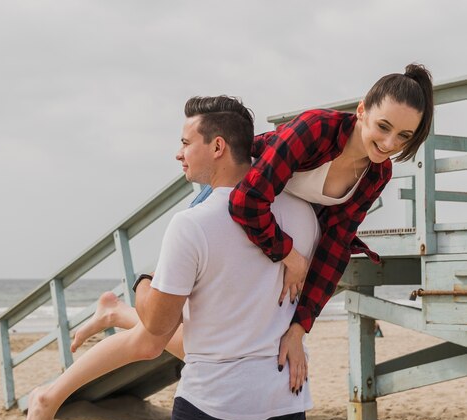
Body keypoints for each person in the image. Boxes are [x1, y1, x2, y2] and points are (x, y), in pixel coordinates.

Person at [71, 63, 434, 392]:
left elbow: (336, 245)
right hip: (237, 200)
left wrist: (299, 328)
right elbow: (248, 200)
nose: (389, 144)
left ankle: (114, 313)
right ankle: (141, 288)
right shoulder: (317, 128)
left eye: (404, 137)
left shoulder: (378, 173)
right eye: (383, 127)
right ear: (361, 112)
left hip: (272, 221)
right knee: (155, 336)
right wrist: (289, 254)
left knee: (199, 342)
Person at [25, 96, 321, 420]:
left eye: (185, 142)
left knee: (152, 335)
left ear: (217, 147)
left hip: (216, 405)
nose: (178, 153)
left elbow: (160, 325)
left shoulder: (193, 223)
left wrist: (145, 280)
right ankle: (108, 321)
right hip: (283, 400)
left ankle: (107, 322)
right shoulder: (304, 214)